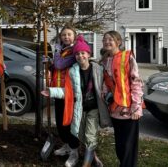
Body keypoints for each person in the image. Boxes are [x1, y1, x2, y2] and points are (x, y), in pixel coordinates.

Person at [42, 35, 111, 167]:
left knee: (90, 135)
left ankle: (87, 163)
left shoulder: (97, 69)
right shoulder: (73, 71)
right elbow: (68, 90)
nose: (80, 56)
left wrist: (107, 92)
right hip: (79, 107)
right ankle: (88, 157)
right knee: (78, 133)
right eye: (78, 54)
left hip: (93, 109)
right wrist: (52, 91)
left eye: (83, 53)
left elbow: (106, 83)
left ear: (88, 53)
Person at [100, 30, 144, 167]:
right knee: (120, 145)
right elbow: (106, 83)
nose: (107, 42)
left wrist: (136, 106)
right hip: (114, 109)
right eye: (105, 39)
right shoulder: (105, 61)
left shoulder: (127, 57)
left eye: (110, 39)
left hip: (129, 110)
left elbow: (136, 81)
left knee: (128, 147)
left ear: (118, 42)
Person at [48, 24, 80, 166]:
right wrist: (49, 63)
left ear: (74, 36)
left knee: (69, 123)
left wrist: (55, 53)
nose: (66, 37)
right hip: (58, 90)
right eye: (63, 35)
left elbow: (60, 65)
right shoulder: (63, 50)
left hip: (69, 92)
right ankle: (67, 146)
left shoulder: (75, 51)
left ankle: (74, 152)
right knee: (61, 123)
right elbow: (56, 66)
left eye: (69, 34)